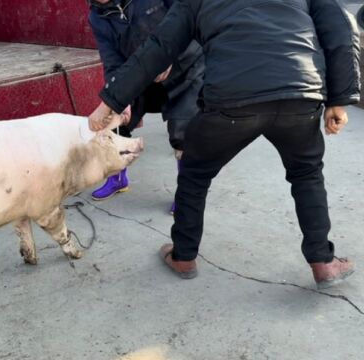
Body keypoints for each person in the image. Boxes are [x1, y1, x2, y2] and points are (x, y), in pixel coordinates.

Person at [89, 0, 360, 289]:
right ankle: (323, 263)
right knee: (306, 173)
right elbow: (340, 28)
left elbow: (159, 46)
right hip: (300, 94)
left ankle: (183, 257)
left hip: (232, 99)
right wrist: (339, 100)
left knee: (194, 173)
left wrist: (109, 102)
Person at [87, 0, 204, 212]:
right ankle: (117, 177)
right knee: (113, 121)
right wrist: (118, 99)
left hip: (184, 68)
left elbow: (194, 20)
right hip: (140, 73)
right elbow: (112, 61)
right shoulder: (97, 16)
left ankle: (186, 194)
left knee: (183, 134)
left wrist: (170, 54)